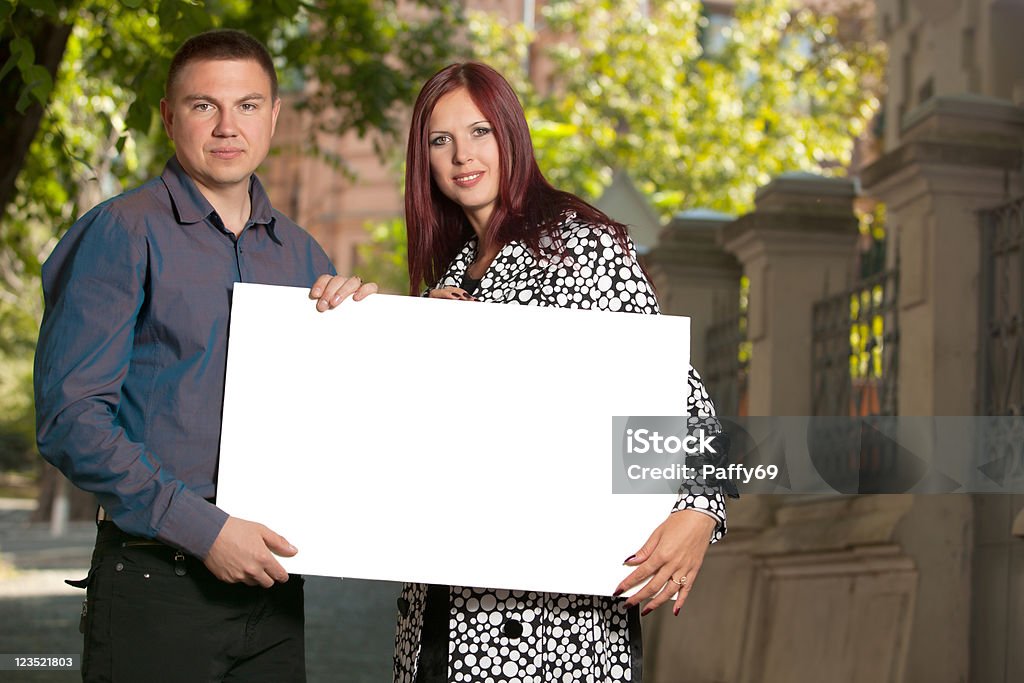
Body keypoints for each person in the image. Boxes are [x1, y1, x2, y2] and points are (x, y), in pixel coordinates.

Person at [33, 29, 375, 682]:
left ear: (275, 116)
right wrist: (204, 528)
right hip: (158, 586)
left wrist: (363, 331)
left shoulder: (306, 258)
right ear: (168, 116)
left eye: (247, 105)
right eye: (202, 106)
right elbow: (71, 416)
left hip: (273, 595)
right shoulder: (121, 231)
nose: (227, 126)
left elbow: (330, 422)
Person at [394, 61, 735, 682]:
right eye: (440, 140)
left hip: (553, 634)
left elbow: (683, 400)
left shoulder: (579, 247)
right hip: (436, 619)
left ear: (511, 136)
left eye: (480, 132)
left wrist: (701, 509)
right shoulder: (448, 279)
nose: (461, 155)